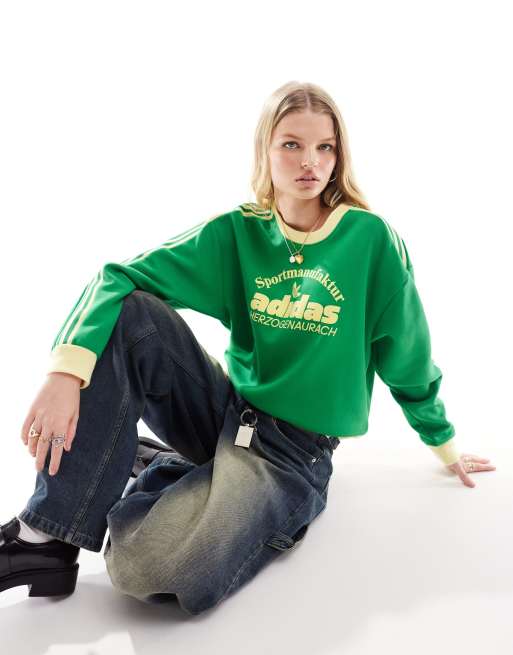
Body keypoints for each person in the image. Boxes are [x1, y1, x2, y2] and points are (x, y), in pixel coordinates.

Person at [0, 80, 496, 614]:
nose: (310, 162)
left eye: (325, 147)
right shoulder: (240, 232)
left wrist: (443, 443)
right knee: (135, 315)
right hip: (226, 413)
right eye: (292, 144)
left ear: (339, 156)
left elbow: (408, 356)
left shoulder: (369, 240)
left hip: (293, 455)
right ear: (266, 150)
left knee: (140, 565)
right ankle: (42, 539)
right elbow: (119, 277)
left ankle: (152, 466)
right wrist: (65, 373)